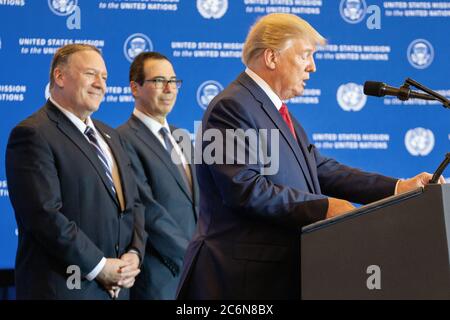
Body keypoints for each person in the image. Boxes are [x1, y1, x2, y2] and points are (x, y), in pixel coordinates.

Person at [176, 13, 445, 300]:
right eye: (306, 55)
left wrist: (397, 188)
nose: (312, 67)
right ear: (271, 57)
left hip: (273, 276)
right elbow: (245, 188)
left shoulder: (273, 109)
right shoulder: (230, 107)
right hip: (238, 281)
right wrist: (324, 208)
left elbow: (320, 168)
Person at [6, 44, 146, 299]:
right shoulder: (33, 134)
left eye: (104, 77)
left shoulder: (111, 136)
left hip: (117, 289)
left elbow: (133, 204)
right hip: (64, 290)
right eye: (91, 74)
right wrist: (101, 267)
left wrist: (134, 255)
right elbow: (45, 216)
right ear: (60, 77)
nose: (100, 85)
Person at [118, 52, 199, 299]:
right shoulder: (122, 139)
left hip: (197, 275)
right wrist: (193, 256)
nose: (169, 89)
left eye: (173, 81)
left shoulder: (181, 136)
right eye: (158, 81)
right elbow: (147, 211)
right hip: (160, 277)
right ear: (135, 88)